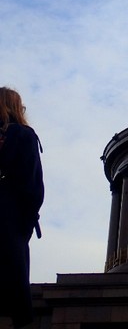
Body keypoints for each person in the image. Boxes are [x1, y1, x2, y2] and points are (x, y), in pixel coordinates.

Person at [0, 87, 44, 328]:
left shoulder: (19, 135)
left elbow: (32, 189)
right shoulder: (24, 135)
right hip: (11, 220)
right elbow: (34, 189)